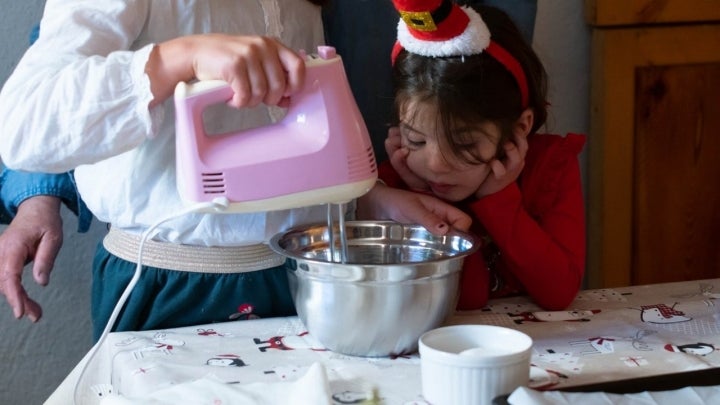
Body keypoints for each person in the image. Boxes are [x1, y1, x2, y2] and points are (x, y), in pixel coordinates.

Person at [0, 0, 469, 341]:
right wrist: (175, 60)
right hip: (168, 286)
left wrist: (364, 198)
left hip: (300, 279)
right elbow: (22, 127)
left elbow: (281, 144)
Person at [359, 0, 586, 311]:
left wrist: (500, 198)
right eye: (416, 139)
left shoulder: (550, 167)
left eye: (464, 145)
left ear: (520, 127)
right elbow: (467, 297)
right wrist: (422, 198)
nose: (436, 164)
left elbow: (559, 292)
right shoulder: (392, 186)